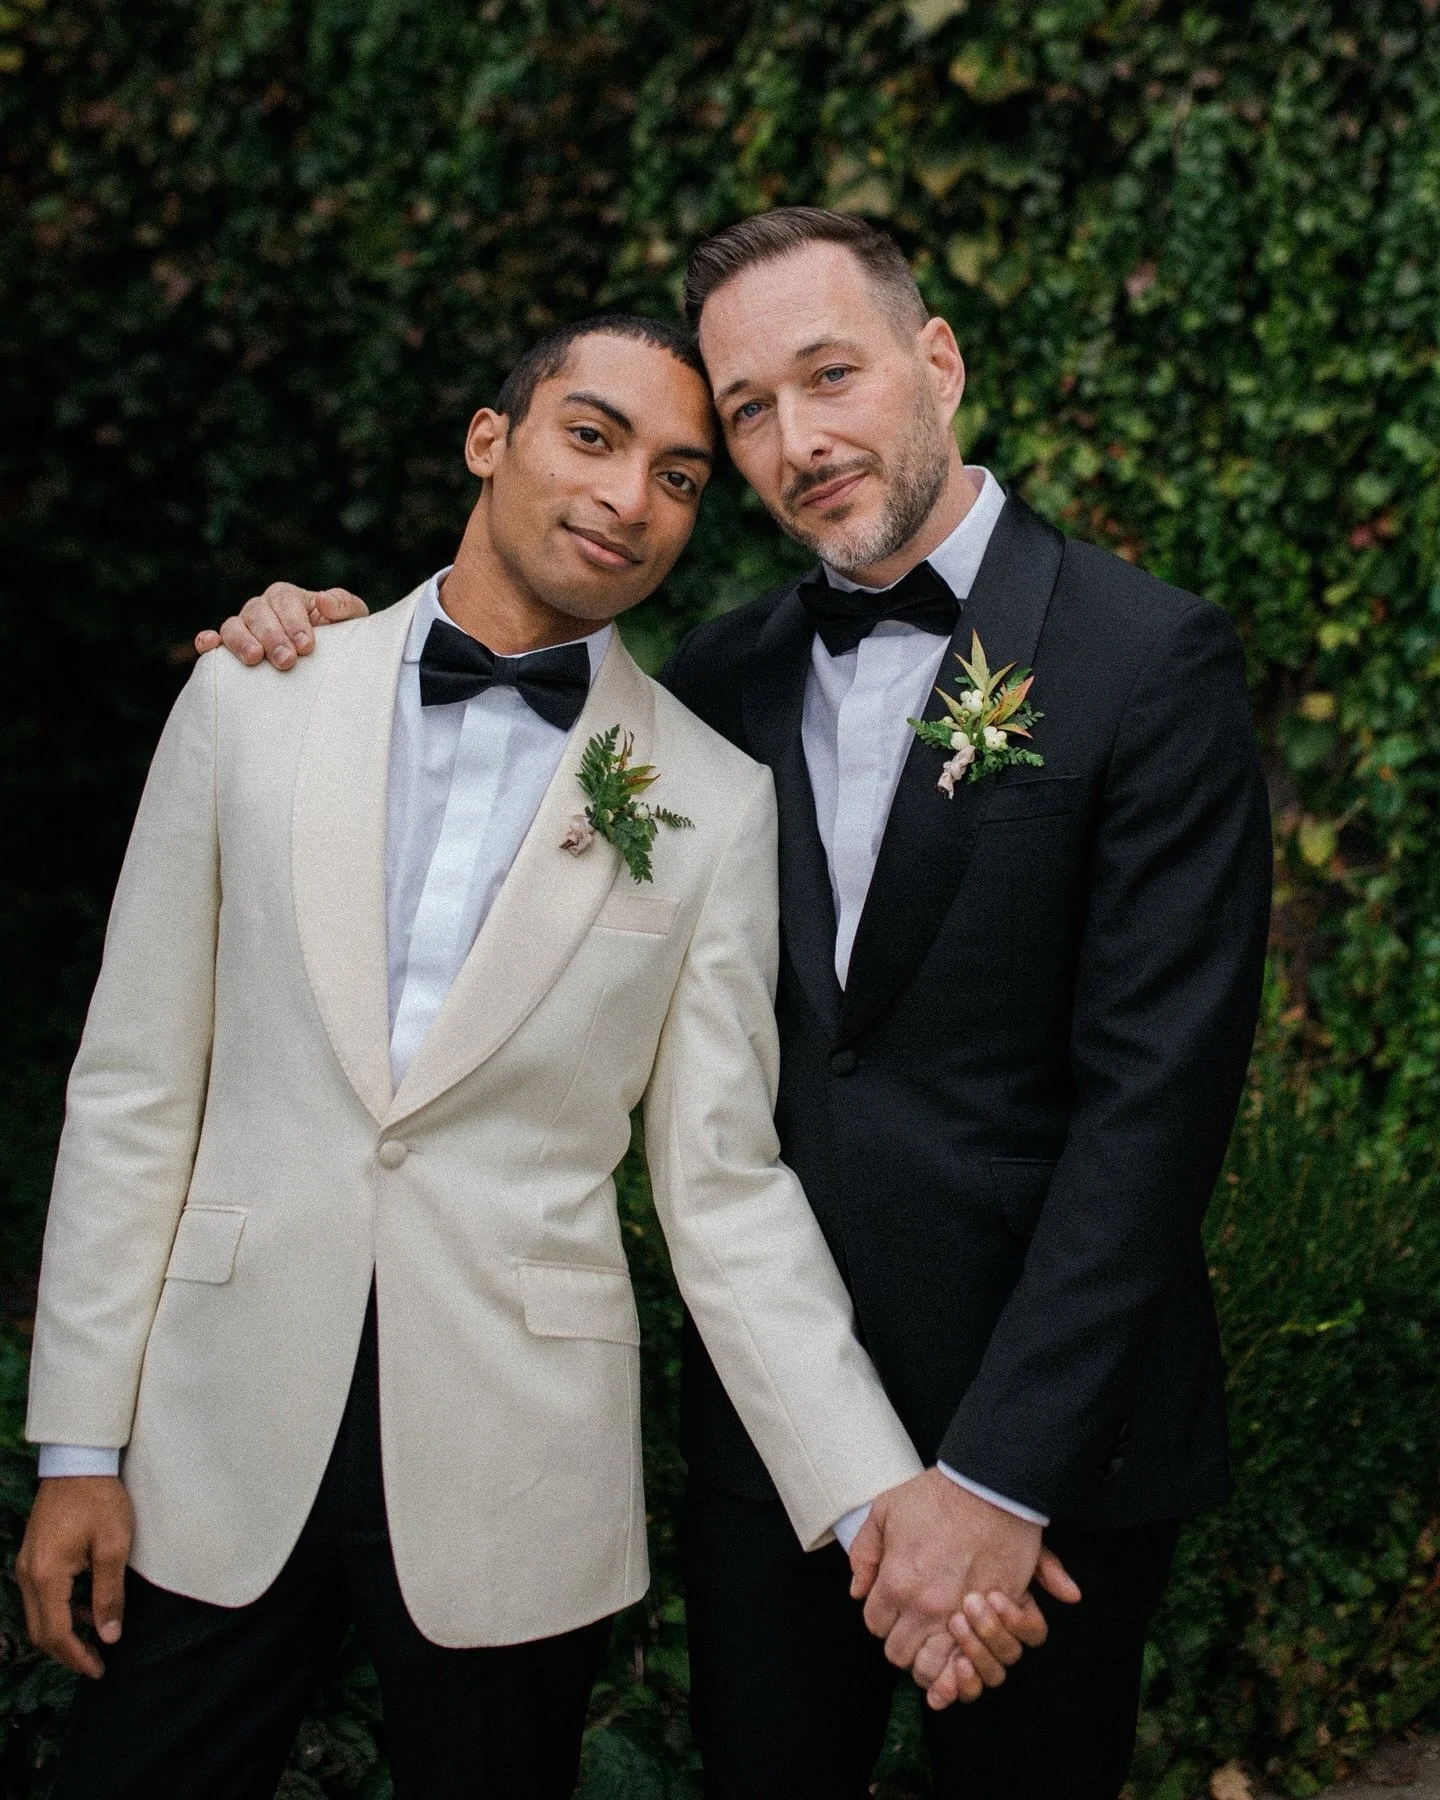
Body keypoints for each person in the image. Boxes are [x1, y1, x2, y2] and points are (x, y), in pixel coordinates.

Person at [203, 207, 1273, 1798]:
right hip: (774, 1439)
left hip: (1055, 1452)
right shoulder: (712, 682)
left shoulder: (1145, 656)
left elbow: (1157, 1109)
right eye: (752, 409)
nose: (798, 442)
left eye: (832, 376)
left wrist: (995, 1479)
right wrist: (311, 641)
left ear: (938, 362)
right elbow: (476, 786)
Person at [19, 312, 1051, 1800]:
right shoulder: (252, 694)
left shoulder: (709, 801)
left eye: (681, 477)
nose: (632, 498)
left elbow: (723, 1189)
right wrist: (76, 1447)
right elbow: (132, 1088)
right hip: (211, 1438)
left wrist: (875, 1499)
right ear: (488, 440)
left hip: (517, 1476)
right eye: (593, 436)